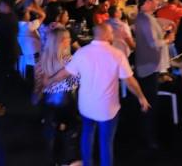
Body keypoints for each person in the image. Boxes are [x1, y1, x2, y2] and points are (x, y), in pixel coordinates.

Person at [48, 23, 150, 166]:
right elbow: (130, 81)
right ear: (107, 35)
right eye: (112, 33)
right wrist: (141, 97)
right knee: (106, 142)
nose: (113, 36)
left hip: (86, 107)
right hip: (107, 109)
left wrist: (50, 80)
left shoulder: (82, 52)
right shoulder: (117, 54)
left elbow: (65, 73)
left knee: (87, 135)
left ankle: (87, 163)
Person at [34, 27, 80, 166]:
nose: (70, 40)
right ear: (61, 42)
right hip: (67, 103)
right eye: (68, 38)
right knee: (69, 139)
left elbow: (38, 85)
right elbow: (77, 82)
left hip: (48, 103)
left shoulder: (42, 61)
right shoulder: (70, 61)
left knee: (54, 138)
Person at [133, 0, 171, 151]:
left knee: (148, 103)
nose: (157, 3)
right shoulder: (145, 20)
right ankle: (148, 138)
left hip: (148, 66)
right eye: (155, 0)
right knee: (149, 103)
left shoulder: (144, 18)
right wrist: (168, 40)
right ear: (147, 2)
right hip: (148, 67)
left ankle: (147, 135)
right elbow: (153, 43)